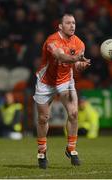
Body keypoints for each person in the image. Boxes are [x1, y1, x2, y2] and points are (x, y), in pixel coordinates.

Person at [33, 13, 91, 169]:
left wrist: (81, 65)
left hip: (66, 81)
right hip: (46, 82)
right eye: (68, 23)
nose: (72, 25)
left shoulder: (79, 43)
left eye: (74, 23)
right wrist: (76, 60)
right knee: (44, 118)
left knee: (73, 113)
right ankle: (42, 150)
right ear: (60, 26)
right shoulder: (52, 41)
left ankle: (71, 149)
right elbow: (61, 57)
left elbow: (75, 65)